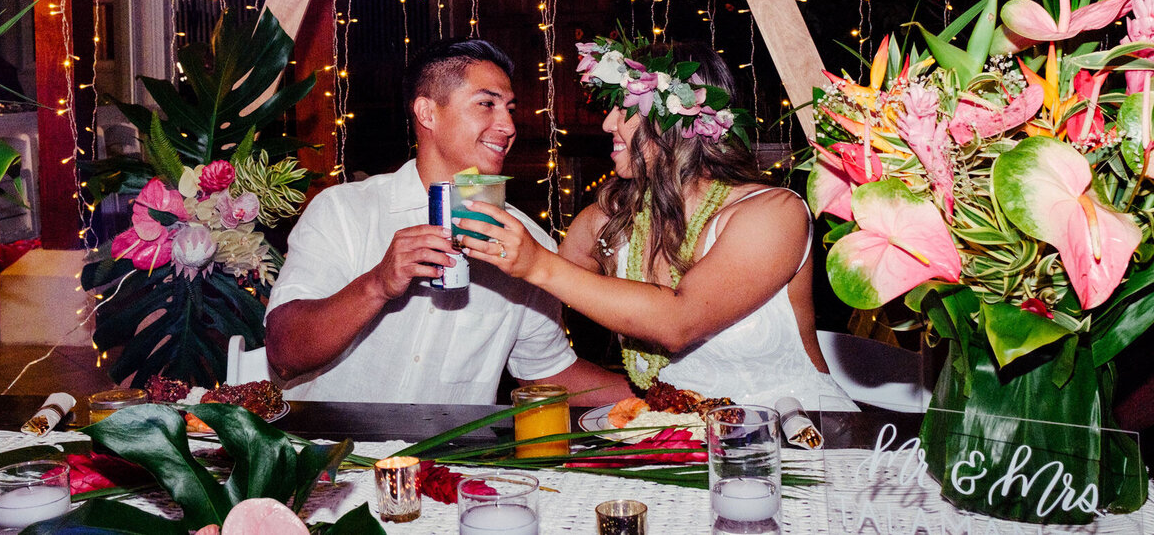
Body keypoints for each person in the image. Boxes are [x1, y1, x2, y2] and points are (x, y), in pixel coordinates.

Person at [457, 36, 857, 410]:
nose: (607, 123)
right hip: (683, 447)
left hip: (803, 441)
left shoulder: (773, 213)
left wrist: (537, 264)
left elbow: (678, 323)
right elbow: (538, 294)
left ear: (675, 120)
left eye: (624, 108)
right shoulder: (608, 218)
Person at [265, 37, 631, 405]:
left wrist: (668, 398)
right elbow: (283, 355)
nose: (507, 125)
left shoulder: (529, 244)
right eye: (486, 104)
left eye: (510, 109)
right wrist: (377, 284)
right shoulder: (344, 211)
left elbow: (550, 373)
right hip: (332, 454)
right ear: (427, 113)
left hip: (447, 461)